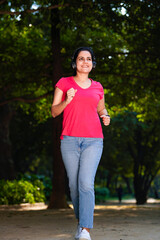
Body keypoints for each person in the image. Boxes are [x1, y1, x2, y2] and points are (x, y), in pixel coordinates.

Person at [51, 47, 110, 240]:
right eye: (81, 58)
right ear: (74, 62)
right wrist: (67, 101)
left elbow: (101, 108)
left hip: (93, 140)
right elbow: (54, 111)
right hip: (69, 140)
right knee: (74, 186)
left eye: (89, 59)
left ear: (93, 63)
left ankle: (85, 229)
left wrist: (105, 115)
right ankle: (81, 223)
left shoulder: (98, 87)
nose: (85, 62)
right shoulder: (64, 83)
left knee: (86, 183)